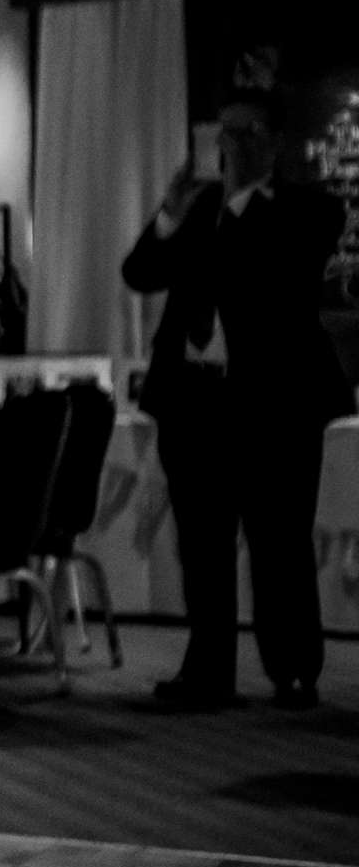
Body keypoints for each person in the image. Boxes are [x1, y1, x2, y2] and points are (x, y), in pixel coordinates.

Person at [123, 93, 350, 711]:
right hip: (196, 402)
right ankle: (208, 670)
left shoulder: (309, 210)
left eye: (249, 133)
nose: (234, 145)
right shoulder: (196, 212)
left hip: (275, 404)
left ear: (276, 141)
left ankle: (293, 668)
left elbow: (271, 274)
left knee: (280, 540)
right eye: (225, 134)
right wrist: (171, 214)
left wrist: (228, 206)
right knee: (202, 544)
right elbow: (140, 273)